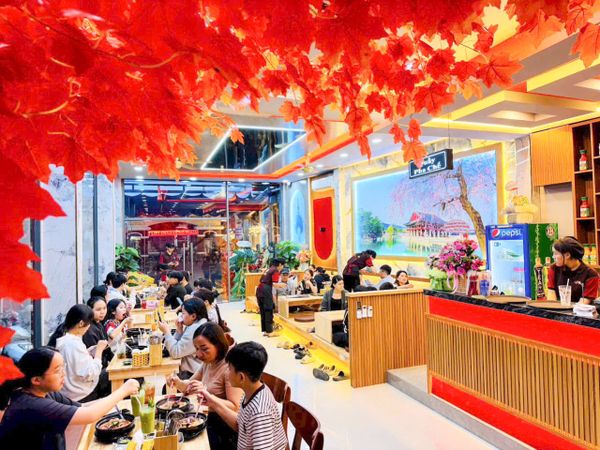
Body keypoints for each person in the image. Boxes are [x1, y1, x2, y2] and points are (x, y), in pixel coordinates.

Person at [0, 347, 139, 450]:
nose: (64, 374)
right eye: (57, 370)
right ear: (36, 380)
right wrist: (123, 390)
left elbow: (82, 407)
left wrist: (117, 400)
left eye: (63, 367)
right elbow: (89, 415)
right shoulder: (32, 406)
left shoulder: (45, 392)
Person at [198, 341, 287, 450]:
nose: (227, 372)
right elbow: (240, 425)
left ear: (241, 377)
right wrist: (213, 402)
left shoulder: (260, 413)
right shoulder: (253, 391)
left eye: (229, 369)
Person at [168, 323, 243, 450]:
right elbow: (189, 386)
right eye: (196, 348)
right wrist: (177, 382)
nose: (198, 354)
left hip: (225, 429)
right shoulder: (209, 362)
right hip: (210, 419)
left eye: (204, 349)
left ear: (218, 345)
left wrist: (208, 396)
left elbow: (235, 407)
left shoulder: (229, 368)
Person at [47, 304, 109, 402]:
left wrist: (89, 351)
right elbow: (90, 373)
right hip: (81, 394)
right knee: (110, 375)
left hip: (71, 392)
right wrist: (99, 351)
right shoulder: (73, 344)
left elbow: (73, 361)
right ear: (81, 323)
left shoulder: (64, 338)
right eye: (89, 324)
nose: (89, 327)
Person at [159, 298, 207, 378]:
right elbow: (177, 345)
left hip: (195, 374)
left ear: (193, 316)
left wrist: (166, 332)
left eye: (183, 313)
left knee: (168, 382)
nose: (181, 316)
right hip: (194, 370)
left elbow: (175, 352)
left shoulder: (195, 330)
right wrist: (179, 331)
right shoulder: (197, 324)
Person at [547, 236, 599, 305]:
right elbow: (551, 295)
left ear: (567, 255)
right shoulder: (554, 269)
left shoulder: (591, 274)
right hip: (558, 309)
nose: (553, 257)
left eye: (556, 253)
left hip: (580, 310)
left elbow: (584, 303)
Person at [256, 258, 286, 336]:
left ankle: (266, 331)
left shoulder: (270, 269)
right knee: (268, 310)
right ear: (280, 264)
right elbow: (275, 284)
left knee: (263, 310)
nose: (282, 267)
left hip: (260, 289)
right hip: (265, 290)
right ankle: (270, 332)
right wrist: (282, 285)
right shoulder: (275, 271)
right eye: (283, 265)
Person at [82, 296, 113, 368]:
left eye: (104, 308)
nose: (102, 312)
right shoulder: (88, 329)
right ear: (90, 310)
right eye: (98, 309)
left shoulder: (98, 323)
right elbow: (94, 354)